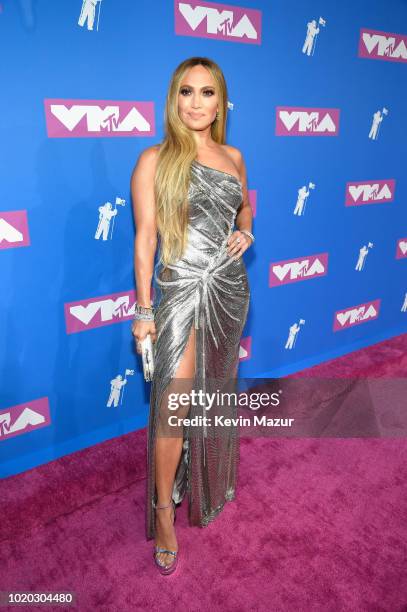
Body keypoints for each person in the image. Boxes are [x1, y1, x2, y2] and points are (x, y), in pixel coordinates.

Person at [131, 57, 253, 576]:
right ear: (173, 99)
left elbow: (243, 209)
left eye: (207, 92)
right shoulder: (155, 159)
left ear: (220, 101)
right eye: (187, 92)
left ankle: (203, 481)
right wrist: (142, 311)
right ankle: (163, 512)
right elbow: (145, 242)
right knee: (174, 407)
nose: (196, 102)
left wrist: (247, 232)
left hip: (228, 291)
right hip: (179, 291)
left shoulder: (234, 156)